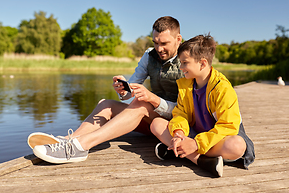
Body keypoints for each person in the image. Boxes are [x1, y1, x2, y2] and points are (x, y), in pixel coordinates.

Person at [28, 16, 185, 164]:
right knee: (106, 104)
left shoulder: (188, 60)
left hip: (179, 124)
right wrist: (124, 91)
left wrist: (153, 99)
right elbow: (132, 91)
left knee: (143, 104)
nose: (159, 48)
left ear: (178, 39)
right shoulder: (149, 55)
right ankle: (70, 140)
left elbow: (188, 110)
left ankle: (80, 147)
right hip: (154, 118)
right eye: (155, 42)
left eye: (164, 43)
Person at [150, 34, 255, 177]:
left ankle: (178, 151)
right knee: (156, 124)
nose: (181, 67)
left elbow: (228, 126)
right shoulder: (186, 85)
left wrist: (196, 144)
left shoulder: (223, 89)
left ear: (203, 63)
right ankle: (200, 160)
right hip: (195, 133)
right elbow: (180, 114)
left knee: (237, 146)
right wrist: (179, 133)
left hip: (219, 137)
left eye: (185, 63)